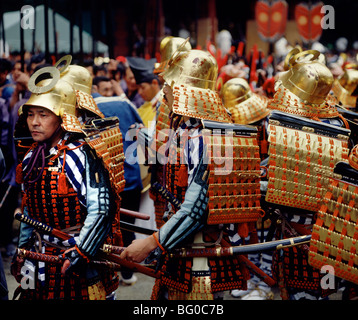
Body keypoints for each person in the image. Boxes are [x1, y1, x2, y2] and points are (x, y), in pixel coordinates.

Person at [120, 48, 261, 300]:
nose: (164, 92)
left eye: (170, 86)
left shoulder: (204, 136)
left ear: (187, 91)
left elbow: (197, 208)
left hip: (199, 252)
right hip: (180, 244)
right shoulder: (184, 127)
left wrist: (151, 242)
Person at [11, 63, 122, 300]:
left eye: (43, 114)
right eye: (31, 114)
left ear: (62, 117)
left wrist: (81, 251)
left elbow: (101, 209)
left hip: (77, 255)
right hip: (40, 257)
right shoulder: (33, 156)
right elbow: (30, 209)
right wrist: (22, 250)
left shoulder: (82, 154)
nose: (34, 122)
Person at [264, 49, 351, 300]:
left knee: (304, 288)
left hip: (301, 222)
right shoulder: (339, 122)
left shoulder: (289, 123)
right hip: (327, 222)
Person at [220, 77, 274, 300]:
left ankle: (265, 283)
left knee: (265, 236)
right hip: (245, 184)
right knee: (248, 234)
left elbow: (274, 156)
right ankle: (251, 278)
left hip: (265, 186)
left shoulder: (267, 123)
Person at [92, 79, 144, 285]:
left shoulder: (88, 107)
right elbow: (142, 134)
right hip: (130, 176)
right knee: (128, 227)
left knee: (103, 225)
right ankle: (127, 271)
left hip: (103, 180)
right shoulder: (125, 104)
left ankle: (106, 272)